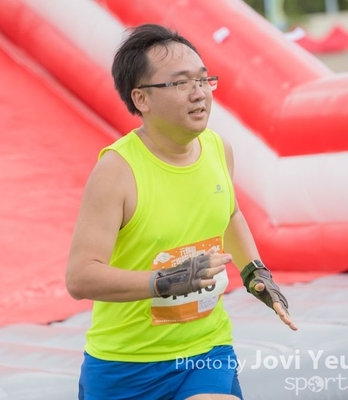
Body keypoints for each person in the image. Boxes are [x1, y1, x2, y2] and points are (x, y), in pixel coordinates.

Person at [66, 23, 297, 400]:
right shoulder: (116, 171)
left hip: (206, 352)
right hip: (126, 367)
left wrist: (255, 272)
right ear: (141, 98)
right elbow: (80, 277)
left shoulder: (219, 149)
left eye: (204, 80)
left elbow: (230, 214)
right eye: (181, 83)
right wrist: (164, 281)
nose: (199, 93)